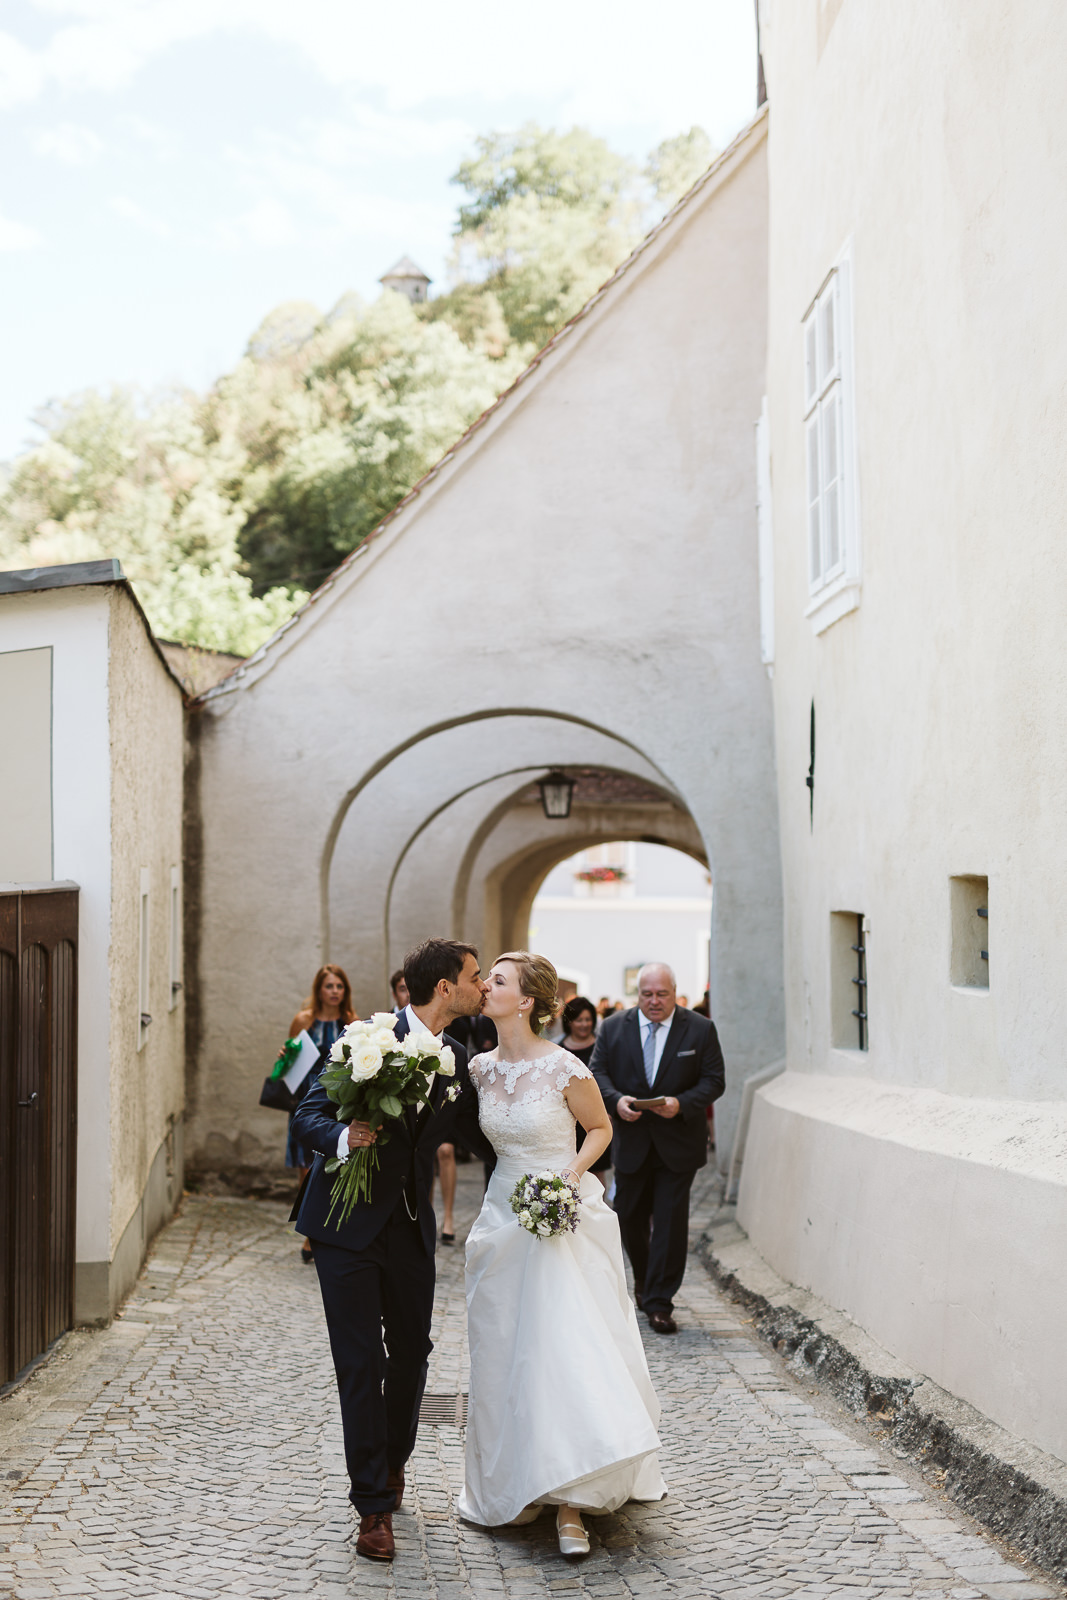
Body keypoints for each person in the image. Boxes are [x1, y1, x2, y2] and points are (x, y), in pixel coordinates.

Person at [290, 939, 492, 1563]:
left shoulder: (456, 1059)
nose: (481, 987)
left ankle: (393, 1458)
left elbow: (481, 1135)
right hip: (343, 1228)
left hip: (408, 1228)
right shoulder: (363, 1039)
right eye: (474, 978)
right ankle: (373, 1506)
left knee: (412, 1355)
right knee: (360, 1364)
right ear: (443, 988)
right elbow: (307, 1115)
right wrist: (344, 1138)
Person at [460, 951, 665, 1556]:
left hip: (556, 1216)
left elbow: (600, 1131)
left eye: (496, 981)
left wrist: (568, 1178)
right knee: (505, 1348)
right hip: (501, 1216)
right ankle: (516, 1482)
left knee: (559, 1347)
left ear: (525, 1001)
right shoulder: (477, 1069)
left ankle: (571, 1501)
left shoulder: (564, 1067)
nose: (484, 987)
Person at [590, 963, 724, 1336]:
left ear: (674, 993)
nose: (654, 1001)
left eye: (661, 994)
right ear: (638, 995)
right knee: (630, 1217)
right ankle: (646, 1283)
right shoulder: (614, 1027)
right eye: (647, 994)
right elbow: (597, 1071)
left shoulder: (699, 1029)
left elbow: (714, 1080)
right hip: (631, 1141)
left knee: (668, 1221)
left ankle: (660, 1301)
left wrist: (681, 1103)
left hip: (679, 1143)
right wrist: (616, 1101)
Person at [288, 965, 356, 1264]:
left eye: (339, 986)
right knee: (305, 1166)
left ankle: (322, 1230)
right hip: (306, 1099)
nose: (334, 991)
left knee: (328, 1163)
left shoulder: (351, 1022)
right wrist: (284, 1055)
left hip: (335, 1103)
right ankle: (309, 1231)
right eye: (329, 986)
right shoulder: (304, 1020)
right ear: (319, 989)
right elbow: (291, 1057)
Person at [559, 996, 611, 1187]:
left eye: (588, 1019)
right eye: (579, 1020)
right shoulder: (558, 1050)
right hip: (568, 1124)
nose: (584, 1024)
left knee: (596, 1174)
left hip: (596, 1120)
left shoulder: (602, 1047)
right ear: (569, 1022)